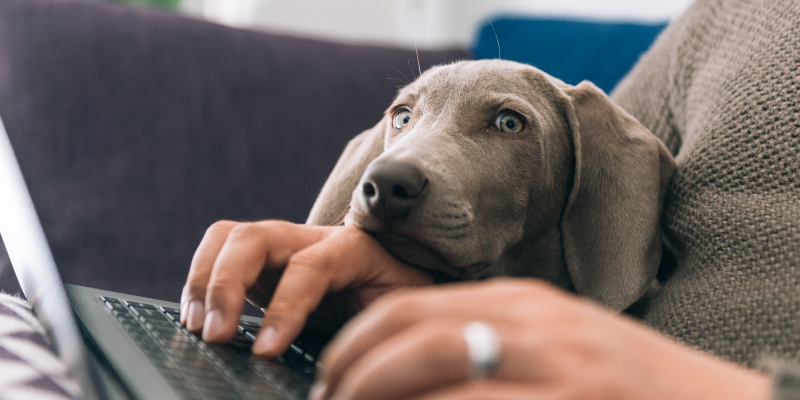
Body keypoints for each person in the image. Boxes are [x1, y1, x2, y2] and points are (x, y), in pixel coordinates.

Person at [180, 0, 800, 398]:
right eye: (402, 116)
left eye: (507, 123)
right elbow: (592, 198)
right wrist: (418, 302)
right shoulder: (725, 16)